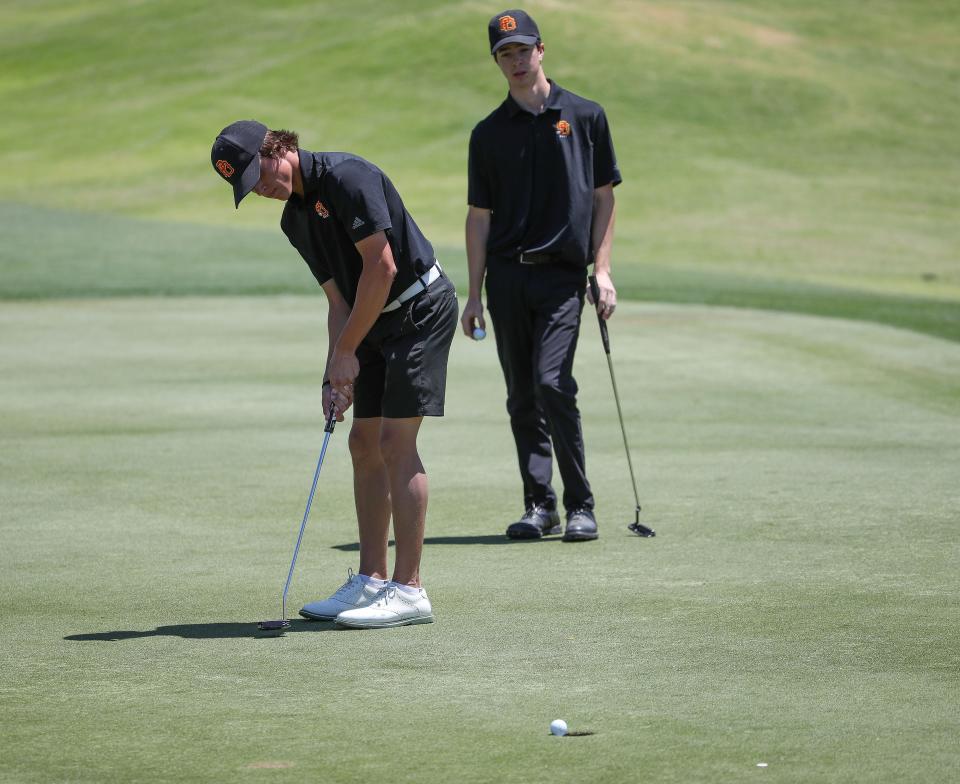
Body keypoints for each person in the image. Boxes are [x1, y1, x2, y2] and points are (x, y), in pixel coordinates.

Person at [211, 120, 457, 627]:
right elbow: (338, 300)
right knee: (361, 444)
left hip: (419, 309)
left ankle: (410, 591)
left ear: (279, 147)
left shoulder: (349, 177)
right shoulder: (293, 221)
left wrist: (348, 349)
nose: (262, 187)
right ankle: (370, 581)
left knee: (394, 442)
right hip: (371, 320)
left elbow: (383, 268)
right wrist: (333, 372)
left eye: (261, 172)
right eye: (249, 186)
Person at [461, 10, 621, 542]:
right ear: (497, 61)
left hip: (560, 278)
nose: (516, 61)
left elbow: (604, 198)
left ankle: (581, 504)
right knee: (521, 393)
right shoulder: (488, 134)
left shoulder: (585, 116)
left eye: (523, 50)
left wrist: (602, 270)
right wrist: (474, 294)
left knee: (553, 384)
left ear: (541, 50)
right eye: (505, 53)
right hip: (507, 279)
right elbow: (479, 218)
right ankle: (540, 505)